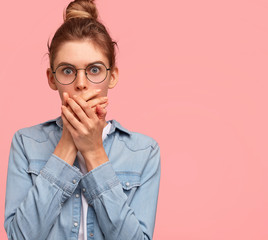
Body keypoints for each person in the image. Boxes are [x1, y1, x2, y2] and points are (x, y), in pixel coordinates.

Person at [4, 0, 161, 239]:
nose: (81, 83)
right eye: (67, 70)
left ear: (113, 76)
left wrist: (94, 151)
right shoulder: (25, 143)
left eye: (94, 70)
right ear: (51, 78)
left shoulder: (144, 151)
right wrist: (68, 143)